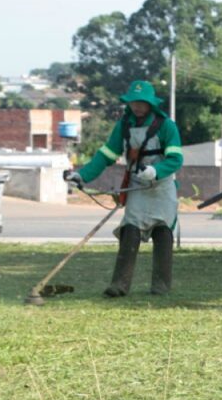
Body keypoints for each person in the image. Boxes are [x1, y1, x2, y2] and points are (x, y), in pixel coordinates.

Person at [63, 80, 183, 296]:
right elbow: (106, 155)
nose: (136, 106)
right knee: (130, 230)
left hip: (162, 187)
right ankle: (119, 285)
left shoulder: (166, 125)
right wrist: (82, 175)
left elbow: (176, 159)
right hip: (136, 186)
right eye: (133, 102)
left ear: (150, 104)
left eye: (141, 102)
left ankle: (161, 286)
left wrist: (156, 171)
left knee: (163, 232)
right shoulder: (124, 125)